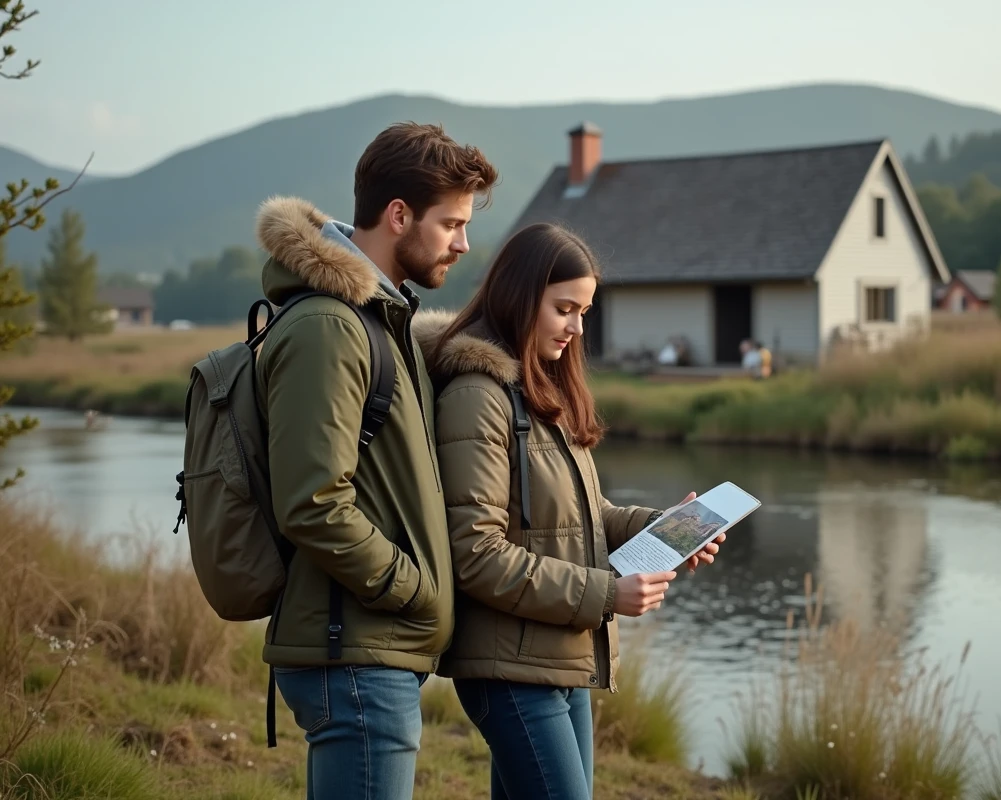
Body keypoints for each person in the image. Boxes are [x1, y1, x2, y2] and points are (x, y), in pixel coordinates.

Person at [412, 222, 724, 800]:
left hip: (559, 653)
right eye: (564, 309)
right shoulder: (476, 398)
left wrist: (665, 526)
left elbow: (585, 514)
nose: (577, 328)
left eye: (584, 311)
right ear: (519, 295)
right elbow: (475, 553)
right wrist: (608, 594)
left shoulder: (542, 391)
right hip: (508, 667)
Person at [253, 122, 498, 800]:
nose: (463, 242)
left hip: (369, 647)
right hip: (355, 650)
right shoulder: (330, 329)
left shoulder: (375, 323)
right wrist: (414, 589)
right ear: (398, 216)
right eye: (451, 223)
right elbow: (312, 502)